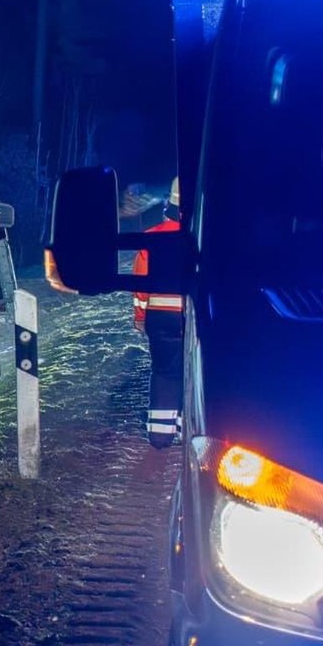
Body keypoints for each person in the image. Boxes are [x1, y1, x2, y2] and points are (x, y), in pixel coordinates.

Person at [133, 178, 184, 449]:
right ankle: (189, 431)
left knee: (164, 371)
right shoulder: (207, 239)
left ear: (170, 203)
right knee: (195, 372)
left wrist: (140, 318)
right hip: (198, 317)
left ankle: (161, 436)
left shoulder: (152, 237)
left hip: (160, 317)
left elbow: (141, 284)